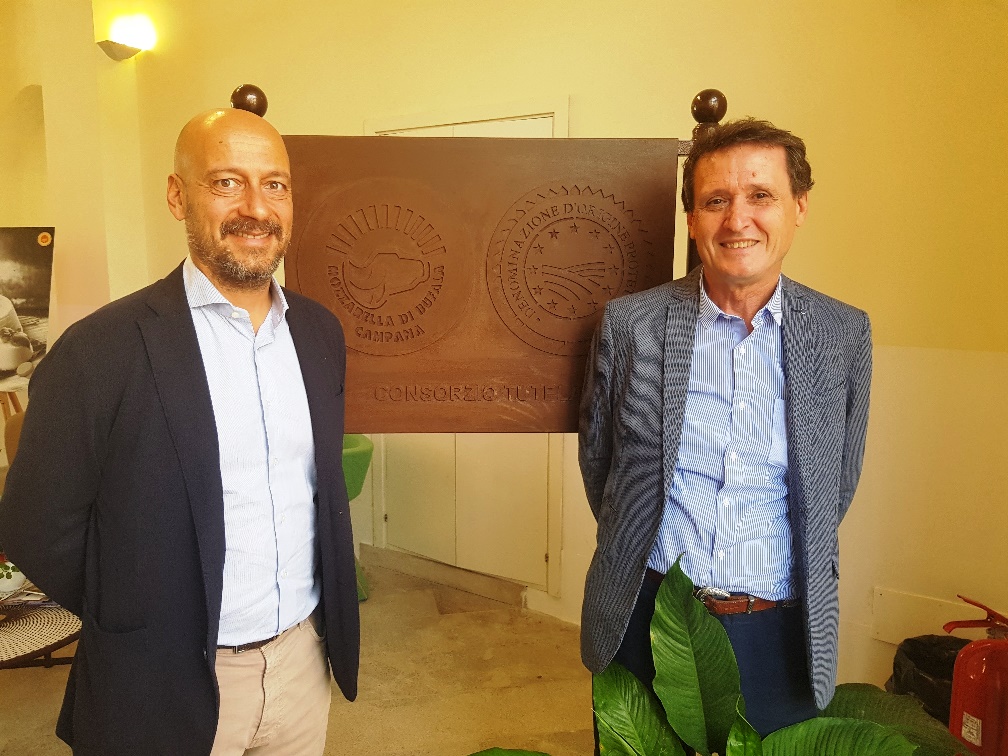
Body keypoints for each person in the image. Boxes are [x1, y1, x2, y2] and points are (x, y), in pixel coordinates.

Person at [0, 108, 359, 755]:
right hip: (166, 678)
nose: (256, 207)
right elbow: (36, 524)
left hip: (303, 664)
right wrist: (136, 614)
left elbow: (317, 489)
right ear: (177, 197)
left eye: (274, 185)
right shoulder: (100, 351)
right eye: (227, 182)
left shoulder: (318, 334)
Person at [579, 118, 872, 738]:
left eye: (761, 195)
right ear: (693, 218)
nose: (738, 219)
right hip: (648, 620)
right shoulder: (631, 326)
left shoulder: (842, 333)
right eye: (716, 200)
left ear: (799, 207)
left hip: (780, 635)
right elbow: (601, 468)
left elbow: (836, 485)